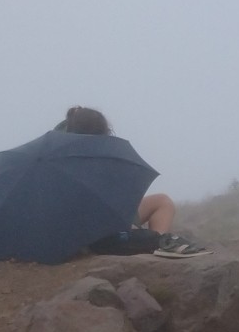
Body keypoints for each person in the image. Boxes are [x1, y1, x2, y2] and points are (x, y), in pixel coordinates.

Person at [59, 107, 210, 259]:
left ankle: (158, 243)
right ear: (102, 131)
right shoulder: (100, 158)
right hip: (97, 231)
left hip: (88, 223)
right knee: (162, 203)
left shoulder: (57, 158)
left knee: (162, 201)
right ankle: (159, 243)